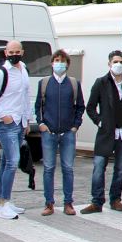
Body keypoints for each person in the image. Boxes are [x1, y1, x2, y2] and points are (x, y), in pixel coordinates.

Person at [82, 50, 122, 214]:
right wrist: (100, 121)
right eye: (115, 62)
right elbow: (90, 107)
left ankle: (115, 199)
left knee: (120, 169)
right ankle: (96, 201)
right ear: (109, 63)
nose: (118, 64)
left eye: (121, 62)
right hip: (106, 133)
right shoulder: (101, 82)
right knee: (99, 167)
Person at [34, 50, 84, 216]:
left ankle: (68, 203)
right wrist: (41, 123)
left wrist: (75, 125)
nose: (59, 63)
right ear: (52, 63)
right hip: (49, 132)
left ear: (67, 64)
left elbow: (80, 106)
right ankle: (49, 203)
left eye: (62, 61)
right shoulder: (44, 83)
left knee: (68, 168)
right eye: (56, 60)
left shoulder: (74, 84)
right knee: (48, 168)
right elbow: (38, 106)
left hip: (68, 133)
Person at [0, 40, 32, 221]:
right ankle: (3, 203)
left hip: (19, 122)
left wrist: (27, 119)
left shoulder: (24, 70)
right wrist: (3, 115)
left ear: (22, 52)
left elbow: (26, 96)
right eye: (11, 52)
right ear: (5, 53)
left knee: (6, 162)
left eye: (17, 52)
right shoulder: (0, 74)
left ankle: (3, 201)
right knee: (13, 162)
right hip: (6, 123)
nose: (14, 55)